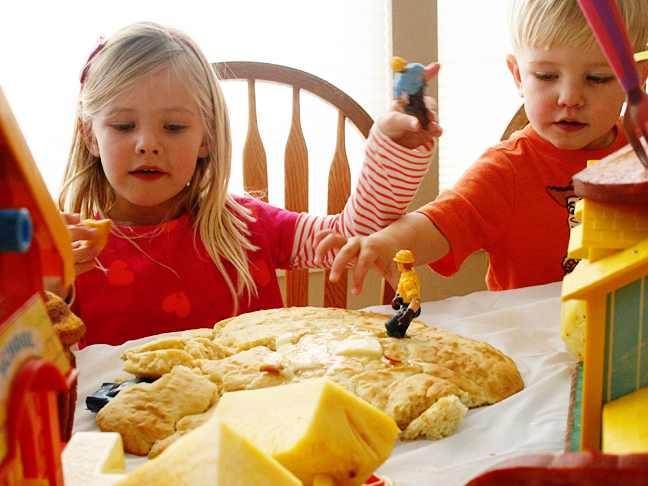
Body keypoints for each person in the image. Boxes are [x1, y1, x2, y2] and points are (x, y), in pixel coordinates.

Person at [54, 22, 442, 348]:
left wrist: (393, 148)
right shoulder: (68, 252)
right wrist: (46, 288)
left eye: (173, 127)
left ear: (207, 138)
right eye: (123, 126)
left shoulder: (247, 226)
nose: (148, 143)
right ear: (90, 135)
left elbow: (353, 236)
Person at [314, 0, 648, 296]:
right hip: (533, 346)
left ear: (637, 78)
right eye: (546, 76)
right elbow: (439, 224)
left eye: (598, 78)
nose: (570, 98)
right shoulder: (505, 171)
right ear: (518, 76)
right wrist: (386, 243)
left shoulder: (641, 153)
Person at [384, 250, 421, 338]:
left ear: (400, 264)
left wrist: (409, 313)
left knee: (390, 326)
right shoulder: (409, 274)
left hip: (410, 308)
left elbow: (415, 300)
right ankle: (399, 335)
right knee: (401, 329)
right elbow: (401, 288)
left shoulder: (408, 281)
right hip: (407, 306)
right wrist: (397, 297)